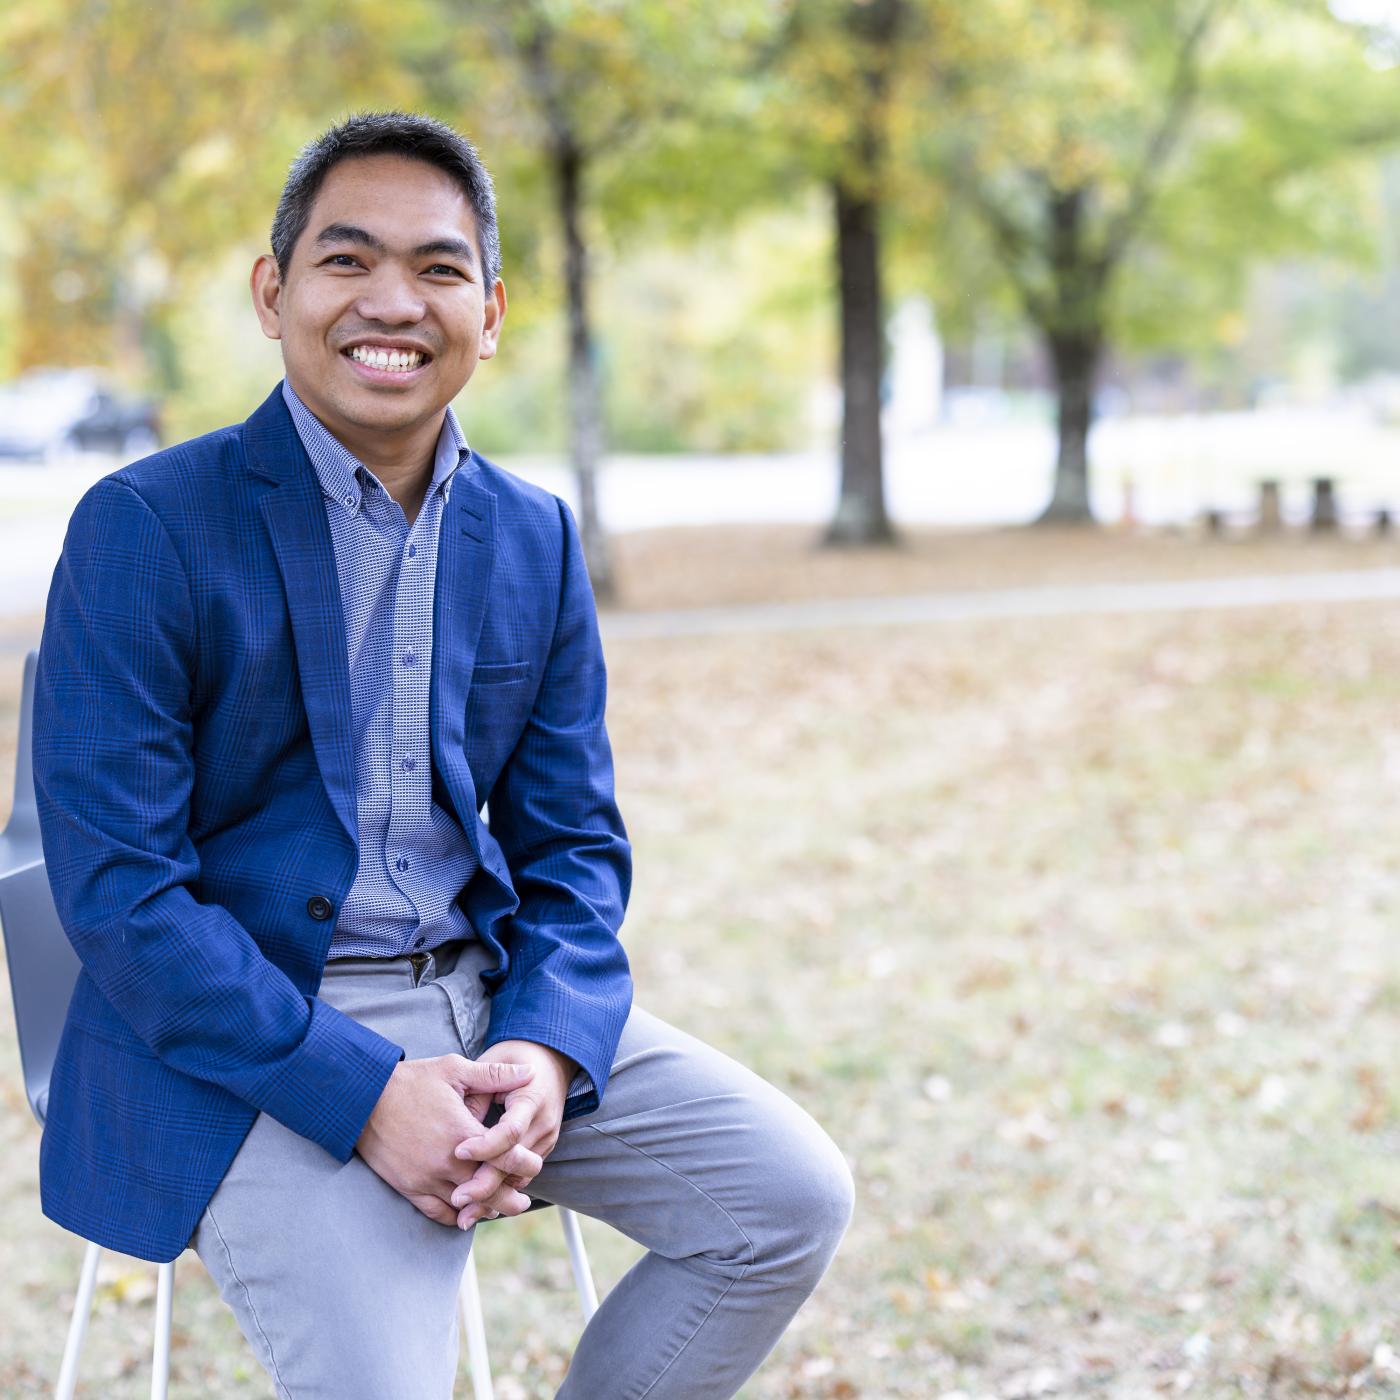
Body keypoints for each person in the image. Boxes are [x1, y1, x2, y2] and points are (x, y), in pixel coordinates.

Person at [31, 111, 853, 1399]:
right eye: (346, 261)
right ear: (273, 291)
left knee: (785, 1199)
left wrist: (545, 1045)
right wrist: (362, 1091)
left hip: (483, 1006)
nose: (392, 303)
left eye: (438, 267)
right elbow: (120, 894)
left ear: (493, 307)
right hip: (256, 1030)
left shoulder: (533, 536)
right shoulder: (145, 528)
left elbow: (575, 845)